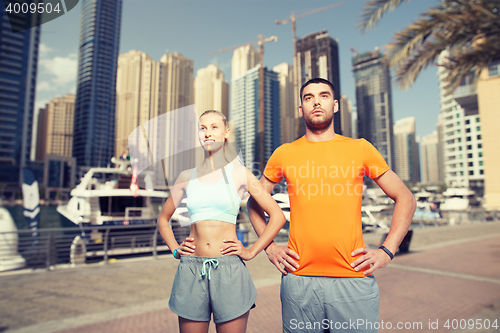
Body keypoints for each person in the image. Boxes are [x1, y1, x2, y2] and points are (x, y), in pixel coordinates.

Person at [248, 78, 416, 333]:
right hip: (298, 282)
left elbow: (406, 198)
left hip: (353, 281)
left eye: (324, 96)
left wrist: (387, 251)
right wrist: (269, 248)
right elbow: (254, 202)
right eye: (308, 97)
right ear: (301, 108)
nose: (316, 101)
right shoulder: (284, 153)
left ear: (335, 105)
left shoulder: (360, 148)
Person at [158, 110, 286, 333]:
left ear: (226, 133)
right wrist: (175, 250)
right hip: (190, 269)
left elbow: (277, 216)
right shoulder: (186, 176)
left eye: (214, 127)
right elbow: (163, 219)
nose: (207, 133)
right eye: (203, 128)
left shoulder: (240, 174)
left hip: (229, 270)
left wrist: (252, 251)